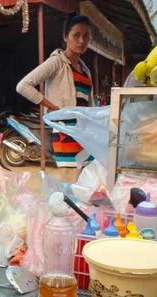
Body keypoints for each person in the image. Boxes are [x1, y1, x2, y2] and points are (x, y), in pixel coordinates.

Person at [16, 12, 93, 182]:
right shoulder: (57, 62)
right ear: (66, 36)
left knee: (84, 182)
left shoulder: (84, 68)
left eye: (86, 36)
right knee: (70, 181)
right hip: (66, 131)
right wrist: (52, 107)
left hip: (84, 133)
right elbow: (23, 86)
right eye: (76, 35)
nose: (81, 40)